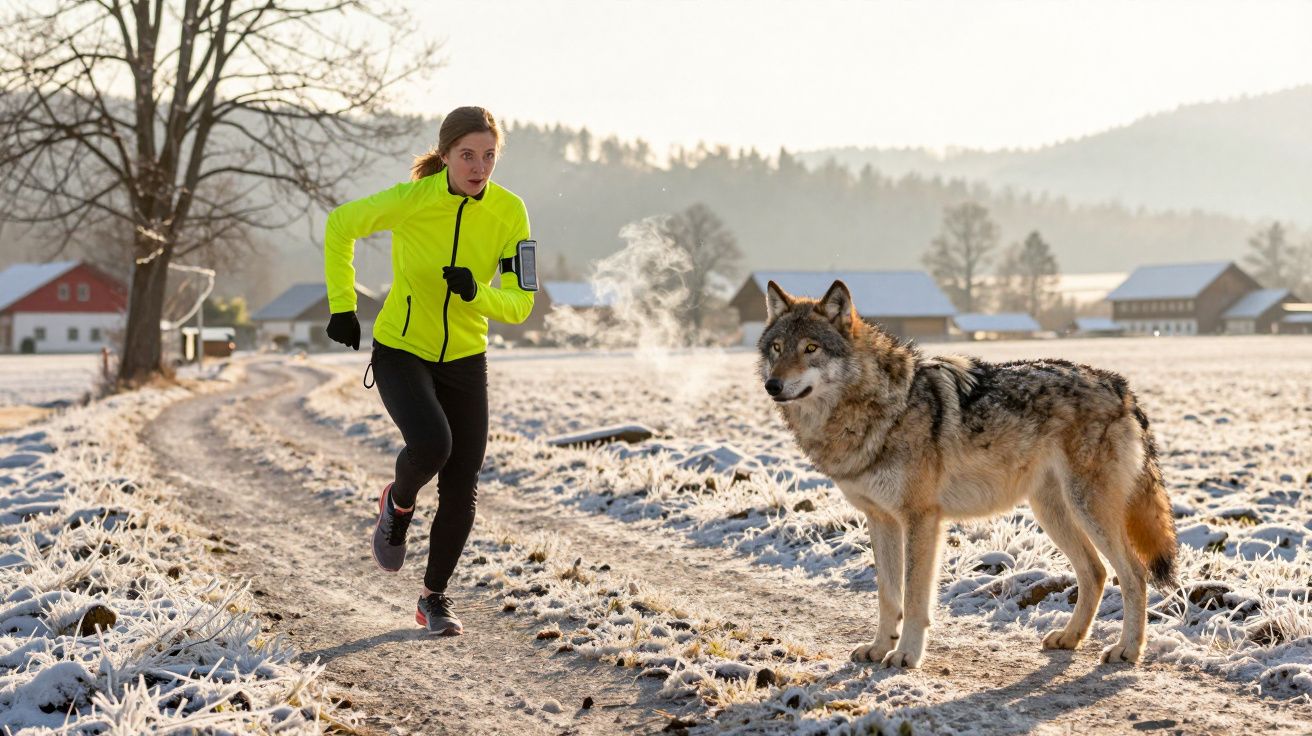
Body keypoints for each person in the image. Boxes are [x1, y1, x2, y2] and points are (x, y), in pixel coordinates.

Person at [322, 106, 535, 635]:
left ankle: (433, 598)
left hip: (465, 357)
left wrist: (477, 292)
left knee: (463, 484)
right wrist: (343, 305)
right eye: (467, 155)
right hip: (402, 349)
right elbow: (339, 225)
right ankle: (397, 504)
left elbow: (521, 303)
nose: (479, 166)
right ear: (445, 156)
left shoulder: (511, 213)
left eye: (488, 156)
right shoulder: (413, 200)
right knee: (433, 446)